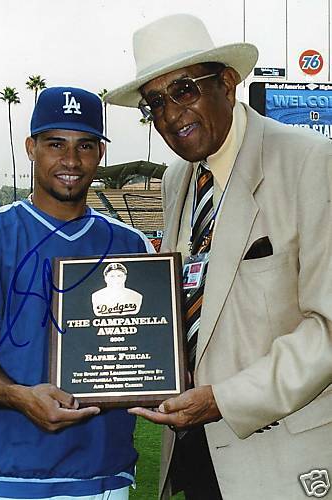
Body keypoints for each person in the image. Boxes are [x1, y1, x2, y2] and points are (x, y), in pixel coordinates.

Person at [105, 13, 332, 500]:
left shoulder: (310, 161)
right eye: (155, 103)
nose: (169, 115)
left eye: (184, 90)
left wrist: (224, 400)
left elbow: (327, 328)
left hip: (281, 456)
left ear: (227, 84)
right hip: (193, 454)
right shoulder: (176, 181)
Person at [0, 86, 155, 500]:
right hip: (12, 475)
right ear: (31, 147)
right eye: (56, 144)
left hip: (105, 476)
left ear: (100, 153)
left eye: (85, 146)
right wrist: (21, 398)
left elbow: (148, 349)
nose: (71, 161)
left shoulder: (134, 246)